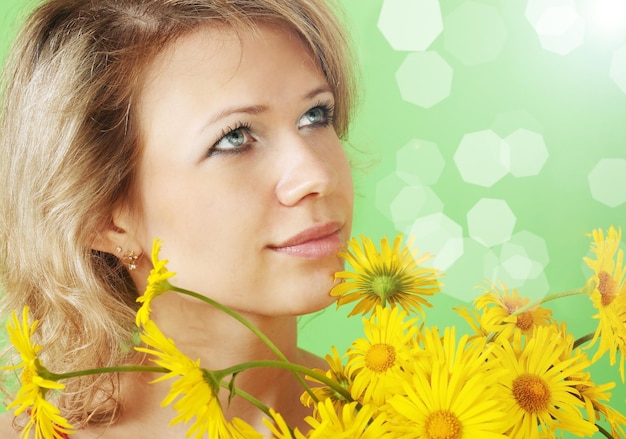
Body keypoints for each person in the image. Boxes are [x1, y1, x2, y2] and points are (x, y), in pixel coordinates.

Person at [0, 0, 357, 436]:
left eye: (314, 115)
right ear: (105, 219)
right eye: (235, 138)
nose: (315, 175)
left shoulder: (412, 410)